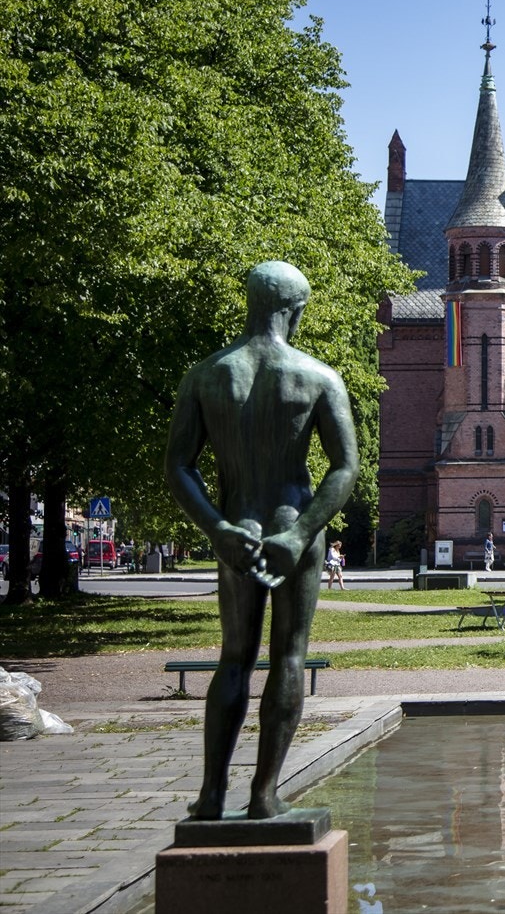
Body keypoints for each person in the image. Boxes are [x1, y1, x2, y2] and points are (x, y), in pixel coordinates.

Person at [165, 261, 358, 820]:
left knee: (234, 659)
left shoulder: (207, 375)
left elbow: (178, 466)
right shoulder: (317, 376)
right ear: (294, 311)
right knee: (289, 656)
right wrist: (299, 533)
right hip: (294, 527)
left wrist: (217, 528)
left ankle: (211, 795)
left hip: (238, 530)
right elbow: (344, 468)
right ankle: (264, 794)